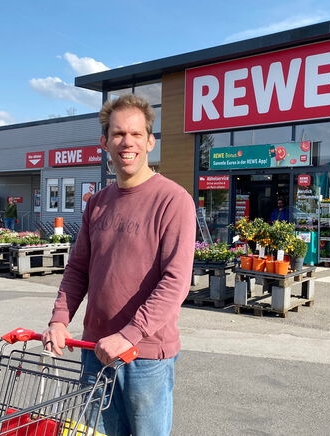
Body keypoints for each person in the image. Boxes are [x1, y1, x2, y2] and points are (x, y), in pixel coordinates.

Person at [42, 94, 195, 436]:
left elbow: (175, 283)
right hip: (95, 351)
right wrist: (59, 320)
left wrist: (128, 336)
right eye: (118, 134)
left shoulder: (173, 201)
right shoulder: (97, 203)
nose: (127, 142)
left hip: (146, 355)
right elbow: (77, 270)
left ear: (150, 142)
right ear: (105, 142)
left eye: (136, 134)